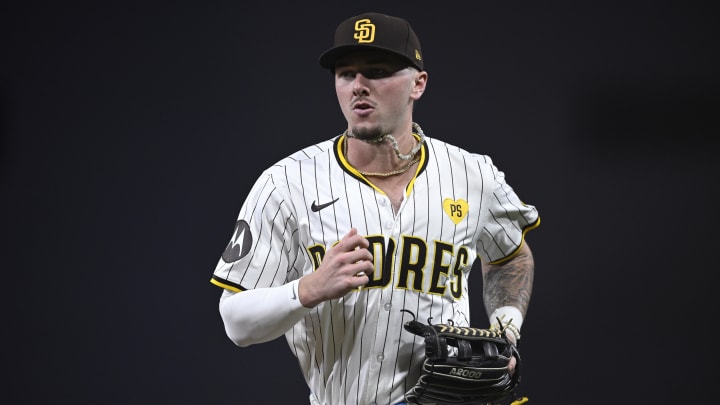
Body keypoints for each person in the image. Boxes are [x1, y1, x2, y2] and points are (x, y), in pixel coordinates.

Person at [210, 11, 540, 405]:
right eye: (346, 74)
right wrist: (307, 289)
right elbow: (236, 322)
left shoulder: (473, 175)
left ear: (418, 84)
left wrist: (506, 328)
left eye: (378, 71)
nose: (359, 86)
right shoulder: (286, 183)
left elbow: (510, 256)